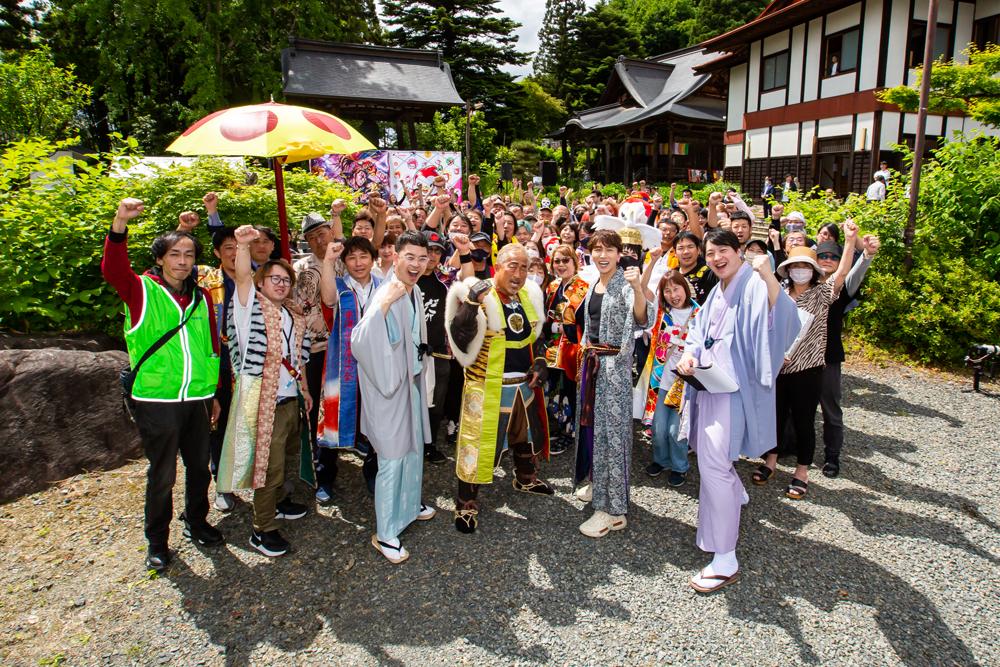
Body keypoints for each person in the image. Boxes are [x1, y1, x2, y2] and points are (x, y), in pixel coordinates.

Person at [102, 198, 223, 573]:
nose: (183, 260)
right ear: (160, 259)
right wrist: (120, 221)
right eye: (174, 254)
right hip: (157, 398)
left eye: (189, 254)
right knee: (163, 473)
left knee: (200, 468)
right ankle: (157, 540)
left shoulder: (201, 296)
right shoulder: (141, 291)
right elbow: (113, 268)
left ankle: (197, 520)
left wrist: (214, 392)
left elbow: (211, 347)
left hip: (198, 397)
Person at [676, 230, 801, 593]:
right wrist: (689, 354)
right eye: (710, 252)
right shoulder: (718, 289)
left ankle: (726, 556)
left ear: (739, 252)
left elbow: (787, 318)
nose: (716, 258)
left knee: (714, 465)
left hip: (732, 390)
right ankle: (733, 496)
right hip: (709, 385)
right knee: (711, 460)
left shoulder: (752, 283)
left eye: (723, 251)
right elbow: (699, 332)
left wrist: (767, 275)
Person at [445, 244, 555, 534]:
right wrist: (469, 303)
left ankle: (525, 477)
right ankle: (466, 502)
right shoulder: (481, 295)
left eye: (524, 267)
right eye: (512, 266)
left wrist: (541, 361)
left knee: (525, 435)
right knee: (478, 444)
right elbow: (459, 337)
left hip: (524, 385)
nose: (518, 274)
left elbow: (536, 337)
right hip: (487, 384)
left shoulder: (529, 296)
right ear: (498, 265)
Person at [218, 226, 313, 557]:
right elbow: (242, 277)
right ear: (261, 282)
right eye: (274, 278)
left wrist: (305, 391)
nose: (281, 283)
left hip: (289, 399)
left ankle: (281, 502)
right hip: (263, 401)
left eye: (286, 279)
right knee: (266, 466)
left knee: (285, 456)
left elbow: (298, 355)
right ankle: (263, 528)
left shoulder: (291, 313)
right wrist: (243, 246)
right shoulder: (250, 307)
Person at [350, 230, 437, 563]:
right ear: (395, 257)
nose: (416, 264)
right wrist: (382, 306)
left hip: (408, 381)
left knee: (413, 450)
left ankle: (409, 507)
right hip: (388, 387)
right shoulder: (387, 290)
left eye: (422, 258)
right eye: (409, 257)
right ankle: (385, 532)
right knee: (392, 457)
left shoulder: (411, 290)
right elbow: (360, 340)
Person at [754, 222, 858, 499]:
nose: (800, 271)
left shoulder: (822, 294)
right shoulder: (779, 294)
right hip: (779, 367)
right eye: (795, 266)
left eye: (805, 266)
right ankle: (770, 461)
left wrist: (849, 241)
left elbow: (843, 274)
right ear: (787, 270)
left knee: (803, 420)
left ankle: (801, 471)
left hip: (808, 370)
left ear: (813, 271)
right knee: (775, 416)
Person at [575, 230, 653, 538]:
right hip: (594, 367)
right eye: (597, 249)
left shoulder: (623, 283)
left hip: (614, 370)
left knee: (614, 437)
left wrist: (636, 287)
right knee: (595, 431)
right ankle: (600, 487)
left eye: (609, 250)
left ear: (619, 253)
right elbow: (588, 325)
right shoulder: (595, 282)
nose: (602, 255)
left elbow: (642, 319)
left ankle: (613, 510)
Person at [315, 236, 381, 503]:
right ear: (345, 262)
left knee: (377, 420)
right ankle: (325, 477)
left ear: (372, 259)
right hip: (343, 366)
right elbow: (328, 300)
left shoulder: (383, 286)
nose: (358, 263)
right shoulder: (341, 287)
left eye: (363, 256)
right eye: (352, 258)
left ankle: (374, 473)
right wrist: (329, 260)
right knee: (333, 418)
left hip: (376, 367)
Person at [816, 234, 880, 477]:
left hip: (828, 357)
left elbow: (855, 274)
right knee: (796, 407)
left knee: (830, 408)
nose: (828, 260)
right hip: (800, 358)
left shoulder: (841, 289)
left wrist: (866, 255)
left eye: (833, 256)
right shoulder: (804, 284)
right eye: (823, 255)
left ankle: (832, 456)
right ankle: (791, 446)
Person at [416, 230, 473, 464]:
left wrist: (465, 251)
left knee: (436, 402)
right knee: (409, 400)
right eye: (427, 250)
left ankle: (429, 445)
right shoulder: (406, 277)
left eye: (437, 251)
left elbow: (468, 281)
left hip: (439, 351)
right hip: (408, 351)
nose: (431, 256)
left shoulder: (445, 277)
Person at [641, 270, 699, 486]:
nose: (673, 294)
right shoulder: (660, 313)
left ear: (685, 288)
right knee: (658, 427)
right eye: (667, 290)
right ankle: (661, 460)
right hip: (661, 378)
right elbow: (642, 288)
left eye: (677, 288)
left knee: (676, 430)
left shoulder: (699, 314)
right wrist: (654, 261)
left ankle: (679, 466)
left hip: (685, 382)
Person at [543, 244, 590, 455]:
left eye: (565, 260)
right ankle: (561, 427)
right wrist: (553, 327)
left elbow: (580, 324)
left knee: (568, 392)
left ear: (575, 262)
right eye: (557, 261)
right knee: (553, 390)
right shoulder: (553, 286)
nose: (561, 265)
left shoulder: (583, 288)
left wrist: (559, 327)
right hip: (552, 348)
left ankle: (570, 433)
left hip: (571, 349)